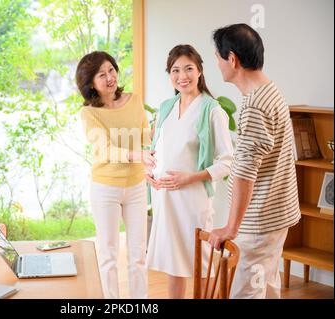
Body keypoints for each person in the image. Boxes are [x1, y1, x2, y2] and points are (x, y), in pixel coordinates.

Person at [208, 23, 301, 299]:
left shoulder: (254, 107)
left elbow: (246, 173)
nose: (218, 65)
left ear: (232, 59)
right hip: (277, 215)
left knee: (247, 292)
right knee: (268, 287)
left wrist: (231, 227)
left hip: (260, 222)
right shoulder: (271, 91)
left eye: (218, 58)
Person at [146, 44, 233, 298]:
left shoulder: (212, 110)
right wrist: (150, 171)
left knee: (200, 261)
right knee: (175, 263)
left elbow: (227, 161)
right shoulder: (165, 108)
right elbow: (158, 149)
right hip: (166, 199)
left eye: (188, 69)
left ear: (199, 71)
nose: (182, 76)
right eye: (175, 70)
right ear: (169, 74)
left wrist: (191, 177)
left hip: (193, 199)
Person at [75, 51, 155, 299]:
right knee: (108, 256)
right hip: (105, 188)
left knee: (138, 254)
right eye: (101, 74)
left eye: (111, 70)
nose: (110, 77)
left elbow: (145, 140)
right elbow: (104, 149)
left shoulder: (134, 100)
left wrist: (151, 163)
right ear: (90, 84)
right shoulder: (88, 113)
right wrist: (136, 156)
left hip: (136, 187)